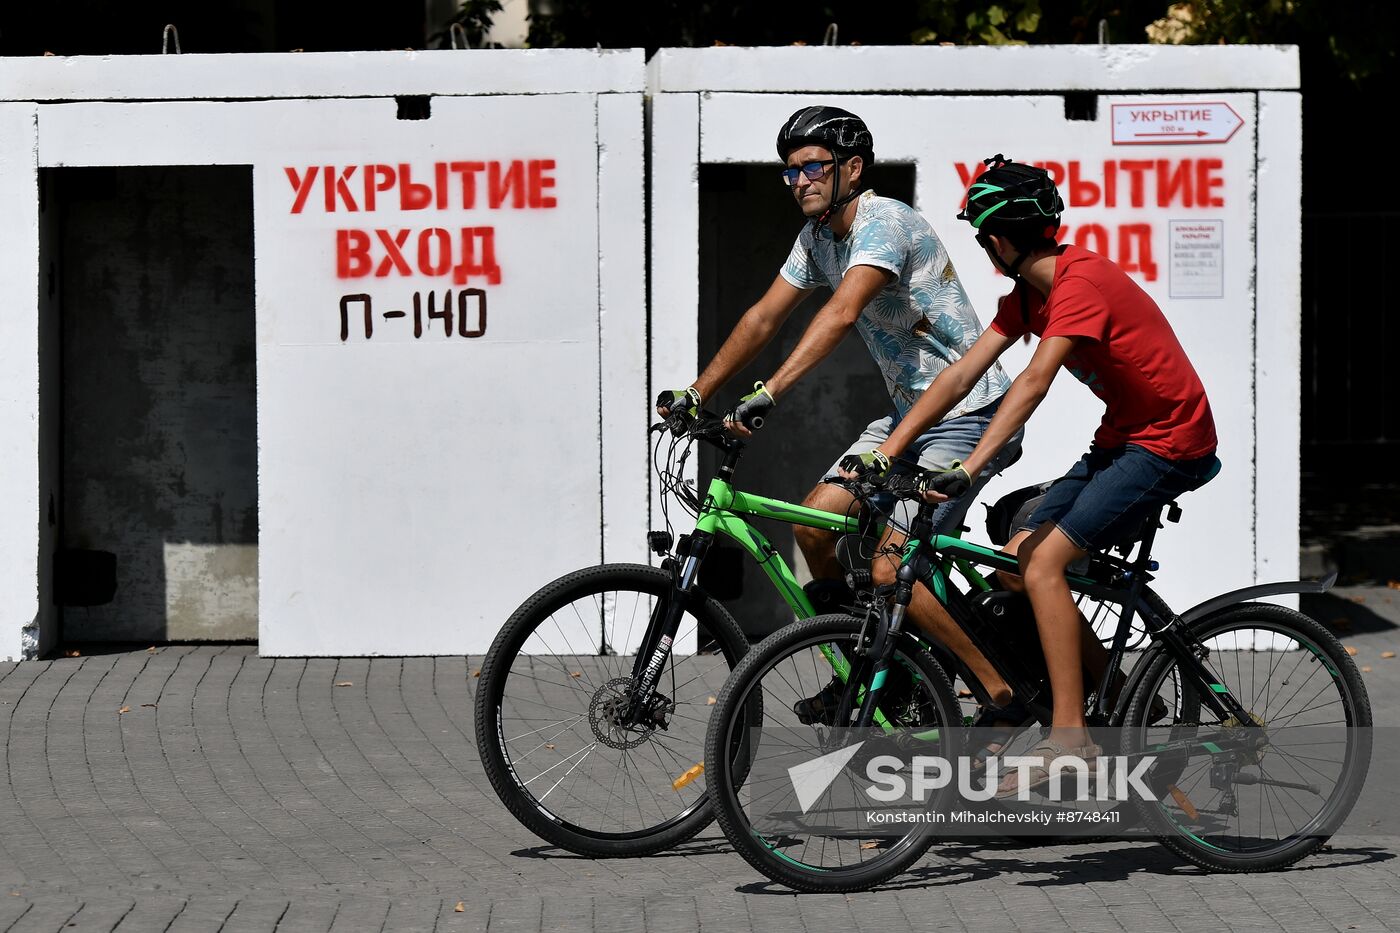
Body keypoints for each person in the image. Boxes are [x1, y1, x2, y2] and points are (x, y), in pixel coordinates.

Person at [856, 154, 1220, 792]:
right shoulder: (1031, 294)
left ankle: (1071, 738)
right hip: (1123, 441)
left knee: (1044, 564)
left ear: (997, 239)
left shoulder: (1079, 286)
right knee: (1013, 563)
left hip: (1170, 445)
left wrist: (968, 467)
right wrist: (893, 447)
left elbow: (1032, 382)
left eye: (981, 238)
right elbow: (963, 373)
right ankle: (1122, 699)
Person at [656, 106, 1022, 719]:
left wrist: (768, 392)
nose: (799, 181)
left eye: (813, 167)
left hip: (971, 411)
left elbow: (842, 312)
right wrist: (697, 391)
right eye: (791, 172)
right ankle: (869, 669)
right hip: (908, 417)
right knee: (811, 525)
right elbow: (764, 317)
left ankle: (997, 690)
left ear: (852, 168)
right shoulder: (816, 239)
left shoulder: (884, 222)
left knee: (891, 564)